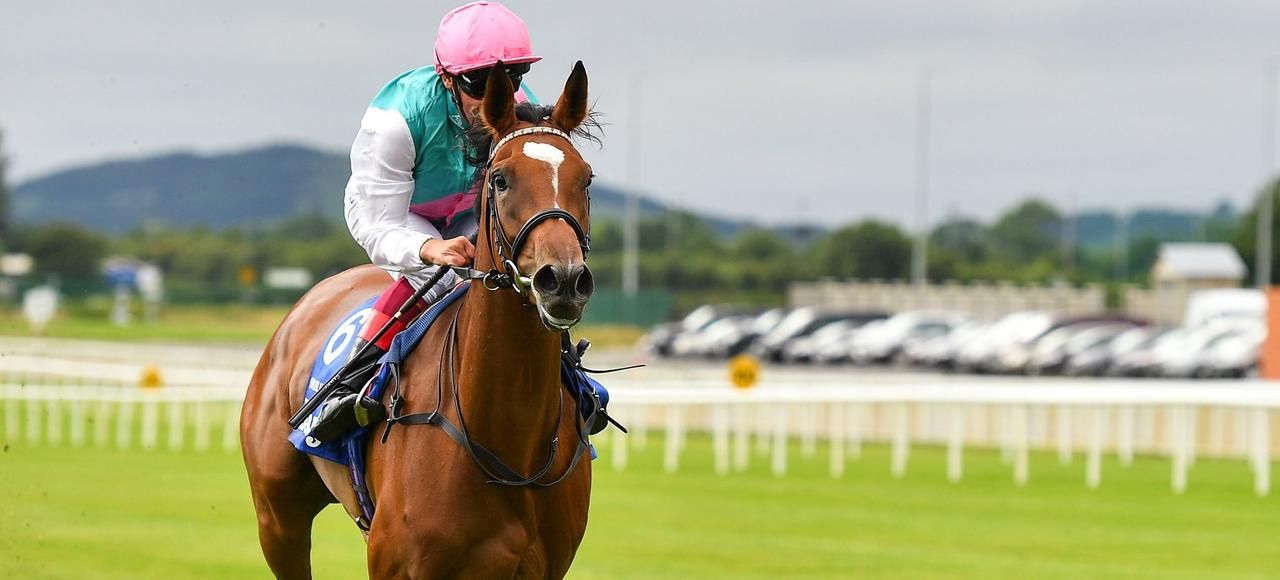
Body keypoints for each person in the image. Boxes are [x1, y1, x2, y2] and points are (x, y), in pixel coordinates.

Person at [309, 0, 541, 442]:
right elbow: (381, 225)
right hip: (395, 214)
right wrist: (426, 249)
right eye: (480, 83)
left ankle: (570, 384)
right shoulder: (396, 122)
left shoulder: (519, 110)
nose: (498, 95)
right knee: (443, 283)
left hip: (470, 212)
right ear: (448, 78)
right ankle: (350, 385)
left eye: (513, 79)